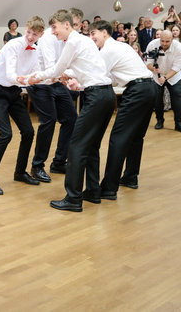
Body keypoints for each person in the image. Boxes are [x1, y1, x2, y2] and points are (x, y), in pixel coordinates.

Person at [22, 11, 115, 212]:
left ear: (66, 24)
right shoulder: (85, 40)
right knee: (91, 146)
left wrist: (33, 77)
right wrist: (71, 78)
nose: (52, 32)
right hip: (107, 95)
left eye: (54, 27)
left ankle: (73, 199)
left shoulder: (72, 42)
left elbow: (55, 70)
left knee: (76, 146)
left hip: (96, 96)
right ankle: (93, 192)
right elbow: (88, 68)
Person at [89, 20, 156, 201]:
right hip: (150, 88)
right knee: (135, 137)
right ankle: (130, 177)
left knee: (118, 138)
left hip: (137, 91)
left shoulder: (107, 50)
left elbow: (96, 74)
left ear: (104, 32)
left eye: (93, 33)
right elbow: (110, 78)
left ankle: (109, 188)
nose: (91, 37)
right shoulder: (122, 46)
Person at [0, 16, 45, 196]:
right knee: (6, 134)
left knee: (29, 132)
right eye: (29, 32)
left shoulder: (35, 50)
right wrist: (27, 80)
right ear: (26, 29)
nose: (30, 37)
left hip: (14, 92)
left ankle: (20, 172)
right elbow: (10, 75)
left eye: (35, 34)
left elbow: (37, 73)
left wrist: (55, 78)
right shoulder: (12, 45)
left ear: (41, 35)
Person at [25, 8, 82, 181]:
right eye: (73, 25)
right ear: (65, 23)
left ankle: (58, 162)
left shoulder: (69, 39)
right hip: (41, 82)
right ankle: (37, 166)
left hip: (55, 82)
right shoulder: (49, 37)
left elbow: (69, 65)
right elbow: (52, 67)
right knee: (49, 121)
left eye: (77, 25)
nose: (75, 28)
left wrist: (69, 77)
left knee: (71, 119)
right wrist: (66, 76)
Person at [147, 30, 181, 133]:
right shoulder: (152, 45)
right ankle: (159, 121)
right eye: (162, 41)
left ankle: (178, 123)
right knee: (157, 98)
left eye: (167, 41)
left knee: (176, 97)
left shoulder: (178, 47)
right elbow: (147, 62)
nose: (164, 44)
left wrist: (165, 78)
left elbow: (177, 67)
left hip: (173, 76)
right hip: (157, 76)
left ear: (172, 39)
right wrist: (153, 68)